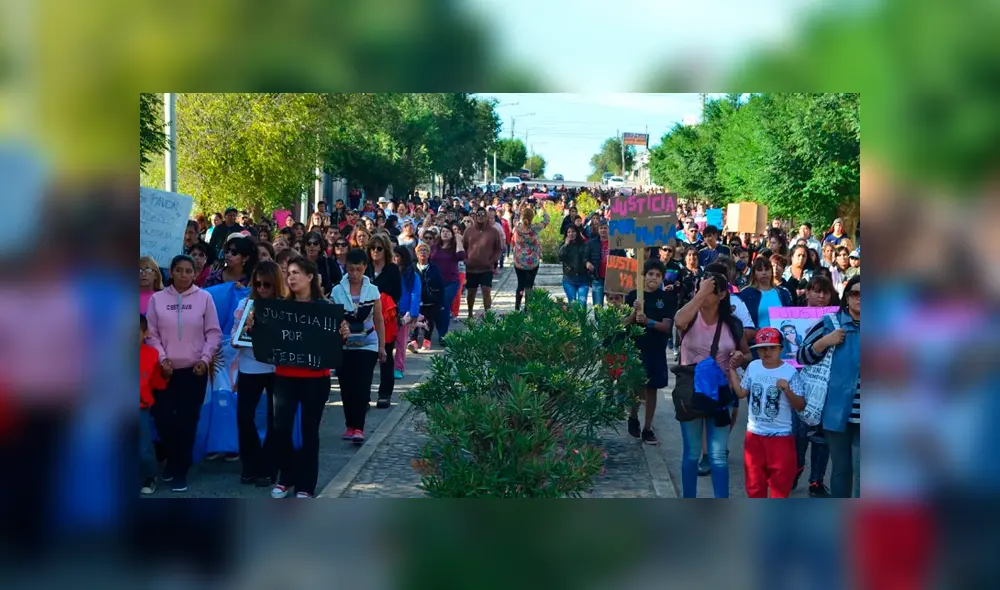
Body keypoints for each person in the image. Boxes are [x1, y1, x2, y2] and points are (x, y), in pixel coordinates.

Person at [257, 259, 341, 499]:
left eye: (296, 273)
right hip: (284, 377)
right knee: (280, 430)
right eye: (288, 273)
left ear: (310, 277)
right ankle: (287, 476)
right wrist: (255, 327)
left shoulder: (325, 307)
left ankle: (306, 485)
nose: (291, 278)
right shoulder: (279, 307)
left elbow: (333, 344)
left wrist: (342, 333)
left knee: (309, 431)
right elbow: (268, 339)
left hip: (316, 378)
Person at [145, 255, 222, 492]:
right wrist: (162, 358)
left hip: (193, 371)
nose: (184, 275)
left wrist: (204, 359)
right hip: (164, 371)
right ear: (172, 273)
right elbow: (151, 334)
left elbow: (214, 333)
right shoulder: (157, 299)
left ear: (194, 273)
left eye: (189, 271)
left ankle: (180, 470)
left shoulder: (205, 298)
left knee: (187, 423)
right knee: (164, 419)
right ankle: (171, 459)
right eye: (179, 270)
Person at [673, 272, 751, 498]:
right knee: (691, 453)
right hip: (691, 392)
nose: (704, 293)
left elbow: (747, 354)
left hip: (721, 394)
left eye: (710, 290)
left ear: (723, 295)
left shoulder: (733, 324)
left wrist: (739, 357)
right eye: (701, 287)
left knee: (717, 455)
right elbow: (678, 321)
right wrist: (701, 293)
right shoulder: (689, 316)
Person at [797, 275, 860, 498]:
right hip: (836, 413)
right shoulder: (830, 323)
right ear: (847, 297)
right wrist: (825, 341)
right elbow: (802, 355)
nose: (860, 299)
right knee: (841, 471)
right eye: (855, 293)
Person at [726, 327, 803, 498]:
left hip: (781, 437)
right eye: (762, 348)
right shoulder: (753, 367)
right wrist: (732, 370)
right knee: (754, 486)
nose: (767, 352)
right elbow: (741, 393)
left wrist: (788, 391)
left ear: (780, 349)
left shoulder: (790, 372)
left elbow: (800, 405)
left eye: (772, 348)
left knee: (780, 486)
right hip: (755, 435)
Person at [232, 261, 286, 489]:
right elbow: (234, 340)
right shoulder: (246, 304)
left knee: (277, 419)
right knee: (244, 417)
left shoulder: (285, 307)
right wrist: (245, 328)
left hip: (276, 369)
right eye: (258, 285)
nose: (262, 289)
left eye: (267, 285)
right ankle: (250, 462)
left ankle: (269, 466)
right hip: (250, 366)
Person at [330, 249, 386, 443]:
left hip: (368, 341)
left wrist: (382, 346)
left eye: (358, 270)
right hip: (345, 342)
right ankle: (350, 424)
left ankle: (359, 427)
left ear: (364, 268)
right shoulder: (338, 290)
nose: (354, 274)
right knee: (346, 385)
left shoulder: (372, 290)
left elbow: (379, 319)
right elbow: (333, 318)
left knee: (362, 383)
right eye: (351, 270)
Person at [623, 259, 678, 445]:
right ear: (644, 276)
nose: (653, 277)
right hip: (637, 347)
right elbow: (622, 324)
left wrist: (648, 321)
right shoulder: (632, 296)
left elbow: (666, 327)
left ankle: (648, 427)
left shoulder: (666, 298)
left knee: (652, 388)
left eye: (657, 275)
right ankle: (632, 417)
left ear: (662, 278)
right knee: (637, 385)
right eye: (650, 274)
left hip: (656, 349)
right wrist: (634, 312)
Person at [366, 234, 402, 407]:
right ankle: (364, 395)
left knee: (385, 356)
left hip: (386, 317)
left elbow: (397, 293)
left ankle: (385, 393)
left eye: (379, 248)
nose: (375, 251)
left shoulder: (392, 269)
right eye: (372, 248)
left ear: (385, 250)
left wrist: (381, 299)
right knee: (366, 359)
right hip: (365, 316)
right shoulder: (365, 268)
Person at [140, 314, 169, 495]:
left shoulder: (152, 354)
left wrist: (166, 375)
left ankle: (150, 475)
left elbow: (157, 381)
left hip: (141, 407)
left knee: (143, 445)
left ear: (145, 333)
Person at [462, 206, 503, 320]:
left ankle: (487, 314)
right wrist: (466, 259)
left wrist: (493, 260)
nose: (480, 217)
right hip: (471, 267)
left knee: (486, 291)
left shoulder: (493, 231)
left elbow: (498, 248)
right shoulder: (469, 231)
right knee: (471, 292)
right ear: (475, 216)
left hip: (486, 268)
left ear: (486, 216)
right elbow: (463, 247)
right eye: (478, 215)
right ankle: (470, 313)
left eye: (483, 215)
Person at [738, 257, 793, 334]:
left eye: (767, 269)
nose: (764, 273)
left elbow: (791, 318)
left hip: (780, 341)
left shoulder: (783, 293)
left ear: (771, 271)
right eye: (760, 270)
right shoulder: (746, 294)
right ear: (754, 273)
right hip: (755, 341)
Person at [428, 225, 465, 338]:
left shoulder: (454, 247)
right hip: (435, 282)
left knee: (444, 305)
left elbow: (461, 256)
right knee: (437, 307)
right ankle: (439, 330)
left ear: (452, 234)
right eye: (443, 231)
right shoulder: (435, 247)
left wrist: (458, 240)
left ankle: (442, 335)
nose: (444, 233)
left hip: (451, 281)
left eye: (447, 231)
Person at [391, 246, 422, 383]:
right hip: (389, 311)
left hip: (404, 313)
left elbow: (416, 294)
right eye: (393, 255)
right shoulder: (389, 272)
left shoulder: (412, 275)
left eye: (397, 256)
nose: (395, 258)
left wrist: (413, 312)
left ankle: (398, 367)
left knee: (401, 343)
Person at [511, 205, 549, 311]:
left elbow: (515, 217)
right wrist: (543, 208)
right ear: (532, 217)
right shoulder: (535, 228)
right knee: (529, 286)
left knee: (520, 285)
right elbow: (546, 220)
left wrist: (520, 206)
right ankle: (527, 309)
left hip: (519, 262)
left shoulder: (518, 227)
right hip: (532, 263)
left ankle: (517, 308)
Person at [411, 243, 444, 352]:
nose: (423, 252)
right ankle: (413, 341)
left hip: (430, 300)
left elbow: (440, 285)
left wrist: (441, 301)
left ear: (429, 254)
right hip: (415, 300)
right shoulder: (412, 268)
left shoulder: (434, 268)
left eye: (425, 250)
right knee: (413, 320)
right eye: (420, 250)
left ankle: (427, 340)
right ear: (416, 254)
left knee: (429, 321)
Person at [585, 220, 617, 307]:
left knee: (615, 306)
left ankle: (612, 321)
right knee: (598, 306)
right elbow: (585, 257)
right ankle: (599, 321)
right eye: (601, 228)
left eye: (605, 228)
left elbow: (623, 257)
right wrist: (587, 263)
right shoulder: (591, 243)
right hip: (597, 278)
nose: (603, 230)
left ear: (609, 229)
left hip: (612, 280)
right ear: (598, 230)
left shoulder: (616, 243)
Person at [558, 226, 591, 306]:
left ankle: (582, 319)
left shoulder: (584, 244)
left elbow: (586, 257)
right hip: (569, 279)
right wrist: (565, 245)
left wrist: (587, 263)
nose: (571, 234)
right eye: (569, 232)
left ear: (577, 232)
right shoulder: (563, 245)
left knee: (582, 303)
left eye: (573, 232)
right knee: (572, 304)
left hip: (583, 279)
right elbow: (560, 257)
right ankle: (573, 319)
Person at [303, 231, 342, 295]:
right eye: (308, 243)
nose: (312, 246)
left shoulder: (329, 263)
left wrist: (329, 291)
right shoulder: (299, 263)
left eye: (315, 243)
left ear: (320, 247)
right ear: (304, 247)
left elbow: (339, 281)